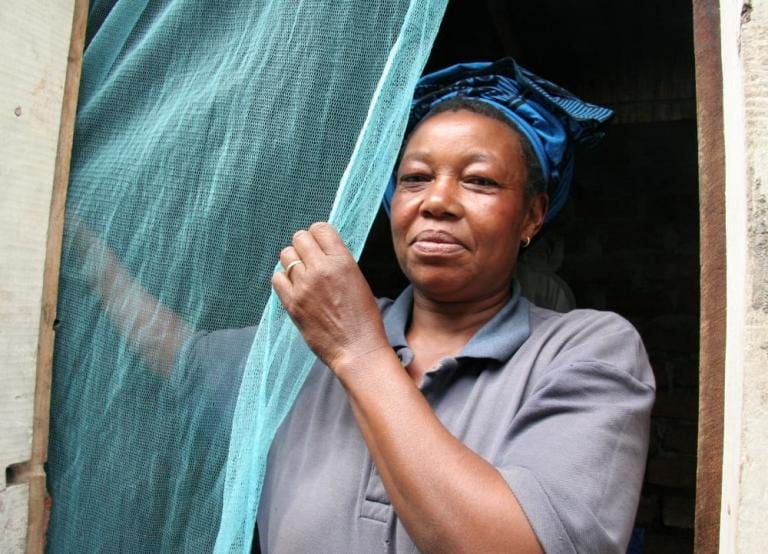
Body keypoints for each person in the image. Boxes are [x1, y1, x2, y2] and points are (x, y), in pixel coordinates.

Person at [258, 60, 655, 553]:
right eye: (415, 178)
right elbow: (180, 358)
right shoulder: (306, 344)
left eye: (480, 181)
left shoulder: (586, 350)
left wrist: (358, 351)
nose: (438, 201)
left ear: (532, 216)